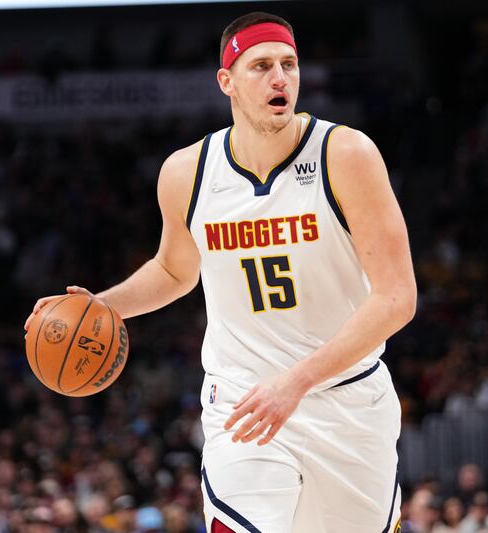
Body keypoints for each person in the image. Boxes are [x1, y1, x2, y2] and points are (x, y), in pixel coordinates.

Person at [26, 11, 416, 533]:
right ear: (226, 81)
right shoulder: (188, 172)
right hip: (243, 402)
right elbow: (173, 269)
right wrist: (101, 305)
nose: (280, 78)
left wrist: (297, 381)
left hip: (347, 401)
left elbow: (397, 297)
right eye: (261, 67)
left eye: (289, 64)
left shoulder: (345, 155)